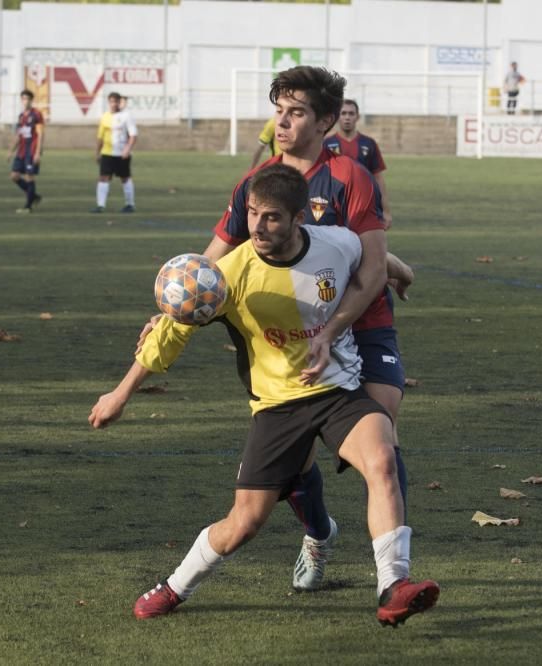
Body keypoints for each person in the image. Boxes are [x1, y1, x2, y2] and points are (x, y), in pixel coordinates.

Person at [91, 164, 439, 626]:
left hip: (339, 392)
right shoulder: (227, 274)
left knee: (383, 460)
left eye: (271, 217)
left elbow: (369, 257)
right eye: (253, 213)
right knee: (245, 523)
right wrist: (120, 394)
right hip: (277, 406)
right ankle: (175, 587)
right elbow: (169, 337)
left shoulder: (334, 241)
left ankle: (393, 586)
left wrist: (400, 272)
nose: (256, 226)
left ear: (300, 219)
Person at [138, 66, 412, 594]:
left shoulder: (348, 176)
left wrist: (336, 326)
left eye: (296, 112)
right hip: (279, 333)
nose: (282, 122)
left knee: (382, 441)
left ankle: (393, 578)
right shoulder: (256, 184)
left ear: (327, 121)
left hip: (360, 323)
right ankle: (317, 534)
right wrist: (175, 304)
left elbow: (371, 264)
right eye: (278, 111)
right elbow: (208, 268)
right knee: (296, 456)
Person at [322, 98, 393, 229]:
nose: (347, 117)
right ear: (337, 116)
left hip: (363, 204)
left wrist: (386, 211)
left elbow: (378, 178)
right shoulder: (326, 143)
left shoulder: (368, 143)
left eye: (351, 113)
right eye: (343, 113)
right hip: (334, 205)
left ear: (357, 117)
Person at [92, 91, 137, 213]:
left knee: (125, 178)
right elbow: (100, 137)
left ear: (119, 102)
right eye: (111, 102)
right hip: (107, 153)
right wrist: (97, 152)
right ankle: (100, 205)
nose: (113, 104)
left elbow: (133, 136)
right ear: (109, 102)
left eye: (116, 101)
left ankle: (130, 204)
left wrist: (127, 149)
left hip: (122, 154)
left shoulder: (127, 116)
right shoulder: (104, 117)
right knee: (103, 177)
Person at [7, 89, 44, 214]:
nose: (25, 101)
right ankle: (33, 196)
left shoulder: (36, 114)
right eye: (23, 99)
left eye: (27, 99)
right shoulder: (21, 116)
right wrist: (11, 151)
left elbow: (40, 134)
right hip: (21, 151)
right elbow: (19, 135)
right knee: (14, 176)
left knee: (29, 176)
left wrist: (38, 152)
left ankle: (28, 206)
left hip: (32, 150)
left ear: (31, 100)